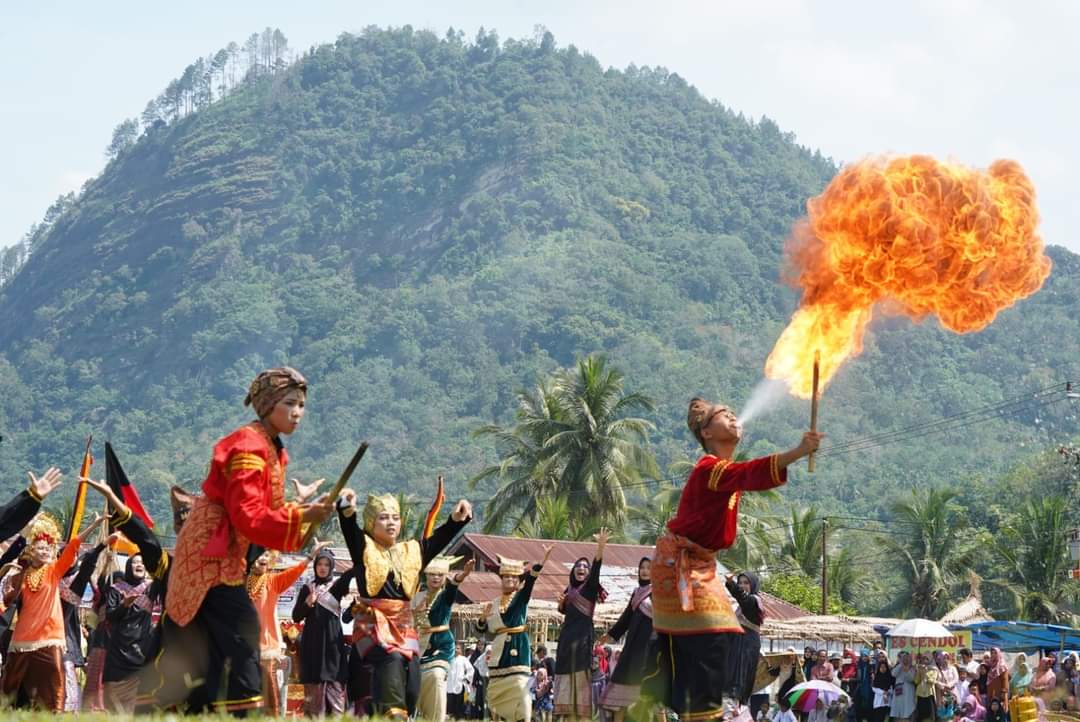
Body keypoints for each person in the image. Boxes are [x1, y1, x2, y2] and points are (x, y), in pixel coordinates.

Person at [158, 367, 336, 712]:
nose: (298, 412)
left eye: (301, 404)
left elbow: (267, 512)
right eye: (290, 403)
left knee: (215, 642)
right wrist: (302, 516)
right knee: (242, 629)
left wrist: (303, 511)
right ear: (268, 404)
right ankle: (243, 709)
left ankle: (208, 709)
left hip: (226, 553)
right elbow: (248, 515)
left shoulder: (271, 449)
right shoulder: (248, 447)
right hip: (209, 555)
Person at [647, 398, 821, 721]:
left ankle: (696, 710)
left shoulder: (724, 473)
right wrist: (797, 452)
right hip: (683, 566)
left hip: (702, 566)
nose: (732, 416)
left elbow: (746, 475)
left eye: (732, 413)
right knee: (708, 644)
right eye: (723, 414)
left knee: (717, 643)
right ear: (707, 432)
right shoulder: (709, 468)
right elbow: (750, 473)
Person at [337, 490, 473, 719]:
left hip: (403, 627)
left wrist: (455, 520)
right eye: (383, 517)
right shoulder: (364, 548)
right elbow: (349, 529)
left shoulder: (412, 551)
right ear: (371, 522)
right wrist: (346, 509)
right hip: (372, 625)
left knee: (411, 685)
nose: (391, 522)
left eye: (395, 517)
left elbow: (438, 540)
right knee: (392, 659)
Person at [1, 512, 104, 710]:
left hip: (51, 637)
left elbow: (73, 545)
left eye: (49, 548)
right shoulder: (21, 573)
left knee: (56, 685)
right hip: (23, 638)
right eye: (41, 547)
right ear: (31, 551)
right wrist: (12, 571)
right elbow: (8, 599)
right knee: (9, 685)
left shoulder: (54, 571)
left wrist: (94, 525)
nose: (46, 551)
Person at [251, 540, 327, 716]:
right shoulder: (238, 581)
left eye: (266, 555)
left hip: (267, 650)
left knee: (271, 700)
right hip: (244, 649)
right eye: (258, 554)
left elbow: (295, 571)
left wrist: (311, 556)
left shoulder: (273, 581)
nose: (263, 558)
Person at [477, 549, 553, 722]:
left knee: (520, 687)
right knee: (495, 692)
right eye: (506, 577)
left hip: (518, 647)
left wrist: (541, 561)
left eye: (513, 577)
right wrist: (482, 619)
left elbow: (531, 581)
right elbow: (483, 630)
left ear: (519, 581)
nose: (510, 580)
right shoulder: (494, 603)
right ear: (501, 579)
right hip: (499, 650)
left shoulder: (521, 598)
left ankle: (523, 718)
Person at [554, 529, 609, 719]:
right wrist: (561, 604)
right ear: (573, 570)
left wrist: (600, 547)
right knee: (564, 675)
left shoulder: (590, 587)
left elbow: (596, 568)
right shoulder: (569, 590)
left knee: (580, 676)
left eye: (585, 566)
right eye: (578, 565)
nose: (582, 568)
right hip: (566, 640)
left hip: (583, 639)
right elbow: (565, 611)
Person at [294, 546, 351, 716]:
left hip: (333, 645)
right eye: (320, 564)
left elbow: (351, 574)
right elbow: (296, 616)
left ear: (331, 567)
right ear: (315, 566)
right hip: (312, 645)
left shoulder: (337, 586)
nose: (323, 568)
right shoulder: (308, 588)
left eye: (327, 564)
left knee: (336, 685)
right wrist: (307, 602)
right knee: (314, 691)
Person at [103, 551, 162, 712]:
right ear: (129, 566)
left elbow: (164, 577)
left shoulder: (151, 588)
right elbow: (110, 616)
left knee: (138, 700)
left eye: (142, 562)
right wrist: (124, 605)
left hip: (142, 649)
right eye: (135, 562)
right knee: (114, 700)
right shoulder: (116, 589)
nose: (139, 565)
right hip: (118, 651)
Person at [417, 557, 475, 722]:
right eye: (432, 574)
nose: (436, 578)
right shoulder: (416, 596)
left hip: (441, 647)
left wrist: (462, 575)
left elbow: (453, 586)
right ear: (426, 576)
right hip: (418, 646)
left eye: (440, 575)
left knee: (436, 676)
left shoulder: (445, 596)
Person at [598, 557, 654, 722]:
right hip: (631, 649)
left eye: (649, 568)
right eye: (642, 567)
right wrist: (610, 635)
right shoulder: (637, 593)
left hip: (648, 649)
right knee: (620, 696)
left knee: (647, 698)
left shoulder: (659, 592)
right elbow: (626, 618)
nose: (644, 571)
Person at [59, 534, 108, 711]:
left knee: (66, 679)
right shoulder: (49, 576)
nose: (70, 558)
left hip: (64, 636)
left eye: (73, 556)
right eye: (64, 555)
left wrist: (102, 546)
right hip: (36, 635)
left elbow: (87, 567)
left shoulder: (75, 581)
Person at [724, 571, 765, 706]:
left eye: (746, 583)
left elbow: (743, 599)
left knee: (738, 683)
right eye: (740, 583)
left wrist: (731, 584)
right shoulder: (738, 609)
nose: (742, 586)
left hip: (746, 646)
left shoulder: (754, 601)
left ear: (753, 585)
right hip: (738, 644)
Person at [448, 642, 476, 719]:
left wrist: (466, 678)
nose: (456, 650)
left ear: (460, 650)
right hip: (449, 685)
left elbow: (471, 670)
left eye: (458, 648)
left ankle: (459, 717)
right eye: (454, 648)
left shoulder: (463, 659)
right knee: (450, 704)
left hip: (459, 684)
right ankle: (451, 716)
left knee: (459, 704)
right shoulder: (449, 658)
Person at [891, 652, 917, 722]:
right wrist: (901, 664)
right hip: (899, 692)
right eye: (903, 658)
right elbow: (893, 674)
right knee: (898, 710)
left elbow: (911, 678)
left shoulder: (912, 668)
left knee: (908, 710)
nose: (905, 659)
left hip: (908, 693)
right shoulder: (898, 666)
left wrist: (907, 669)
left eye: (906, 658)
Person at [915, 653, 940, 722]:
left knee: (931, 714)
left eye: (927, 659)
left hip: (929, 693)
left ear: (930, 660)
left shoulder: (934, 669)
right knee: (920, 714)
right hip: (920, 693)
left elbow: (932, 681)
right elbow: (916, 681)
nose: (925, 660)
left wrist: (926, 672)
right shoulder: (920, 668)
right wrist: (918, 671)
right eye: (923, 659)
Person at [985, 648, 1009, 713]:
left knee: (1000, 712)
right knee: (991, 712)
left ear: (998, 654)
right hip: (991, 692)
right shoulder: (990, 665)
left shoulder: (1002, 665)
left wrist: (1004, 695)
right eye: (992, 653)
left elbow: (1005, 680)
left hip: (1000, 693)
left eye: (995, 653)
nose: (993, 655)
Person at [871, 657, 895, 722]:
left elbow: (892, 688)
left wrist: (888, 692)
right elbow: (874, 688)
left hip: (888, 702)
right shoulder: (876, 677)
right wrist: (883, 692)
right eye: (881, 667)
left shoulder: (889, 677)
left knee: (887, 718)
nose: (883, 669)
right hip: (879, 702)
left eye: (884, 667)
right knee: (878, 718)